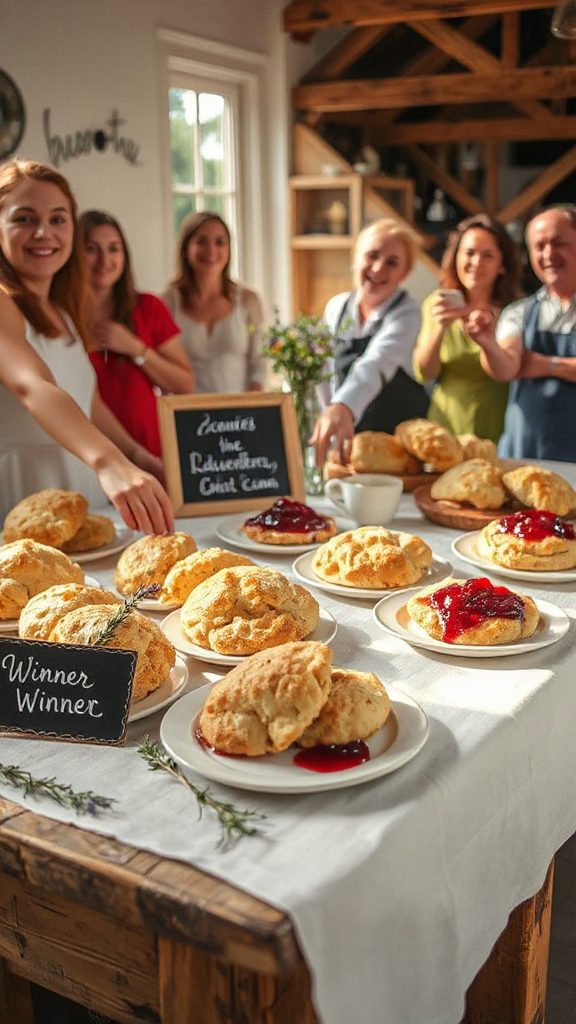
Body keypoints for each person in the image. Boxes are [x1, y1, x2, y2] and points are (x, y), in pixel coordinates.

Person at [0, 158, 173, 533]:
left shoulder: (62, 310)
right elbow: (34, 386)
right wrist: (111, 463)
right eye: (24, 219)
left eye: (58, 219)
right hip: (25, 494)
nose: (44, 232)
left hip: (80, 492)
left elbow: (87, 401)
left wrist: (135, 455)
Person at [311, 217, 428, 466]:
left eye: (392, 262)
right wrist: (329, 416)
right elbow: (324, 372)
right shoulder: (336, 307)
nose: (377, 269)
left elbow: (375, 363)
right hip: (349, 442)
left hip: (396, 450)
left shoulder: (406, 313)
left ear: (404, 273)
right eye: (372, 255)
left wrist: (342, 407)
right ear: (355, 258)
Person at [79, 210, 195, 457]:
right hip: (85, 453)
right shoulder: (59, 315)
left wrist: (136, 349)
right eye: (91, 249)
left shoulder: (147, 307)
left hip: (148, 452)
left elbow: (184, 384)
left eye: (114, 248)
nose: (104, 259)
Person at [469, 206, 576, 461]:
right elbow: (505, 368)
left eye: (559, 243)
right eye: (539, 247)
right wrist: (486, 343)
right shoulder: (519, 312)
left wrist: (544, 364)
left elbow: (522, 365)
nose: (548, 254)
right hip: (523, 459)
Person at [412, 213, 522, 443]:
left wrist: (485, 340)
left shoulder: (513, 312)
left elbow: (505, 373)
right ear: (456, 258)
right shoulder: (437, 304)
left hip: (496, 431)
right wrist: (440, 328)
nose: (476, 263)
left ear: (502, 265)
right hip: (443, 431)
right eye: (469, 253)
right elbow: (424, 373)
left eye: (488, 255)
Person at [162, 212, 267, 393]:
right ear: (186, 248)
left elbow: (259, 365)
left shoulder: (248, 300)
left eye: (220, 242)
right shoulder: (167, 303)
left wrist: (250, 410)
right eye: (201, 241)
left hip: (239, 416)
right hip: (185, 414)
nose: (211, 251)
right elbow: (161, 370)